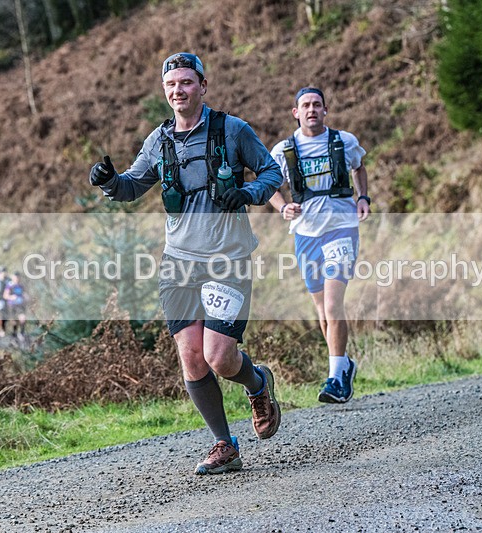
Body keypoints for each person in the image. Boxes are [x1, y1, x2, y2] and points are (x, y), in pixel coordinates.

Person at [89, 52, 283, 475]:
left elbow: (272, 173)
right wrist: (107, 182)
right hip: (178, 263)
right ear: (165, 91)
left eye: (186, 83)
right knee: (191, 357)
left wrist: (248, 193)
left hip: (227, 261)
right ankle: (223, 444)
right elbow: (130, 187)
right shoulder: (157, 142)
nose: (179, 91)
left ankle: (257, 383)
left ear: (203, 85)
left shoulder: (233, 130)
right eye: (171, 85)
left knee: (219, 357)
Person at [267, 86, 370, 404]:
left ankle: (336, 378)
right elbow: (268, 183)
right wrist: (283, 207)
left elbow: (358, 167)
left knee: (332, 303)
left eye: (317, 104)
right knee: (320, 309)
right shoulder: (283, 149)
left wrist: (363, 196)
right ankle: (344, 364)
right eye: (305, 105)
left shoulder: (344, 141)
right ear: (295, 112)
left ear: (325, 110)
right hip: (305, 233)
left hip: (341, 228)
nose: (312, 109)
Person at [3, 271, 27, 342]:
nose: (17, 279)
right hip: (12, 306)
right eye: (15, 277)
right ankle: (14, 335)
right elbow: (5, 295)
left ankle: (22, 333)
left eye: (18, 277)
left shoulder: (21, 285)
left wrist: (26, 297)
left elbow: (24, 294)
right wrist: (11, 297)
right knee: (14, 321)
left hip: (20, 306)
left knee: (23, 319)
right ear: (13, 277)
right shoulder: (10, 285)